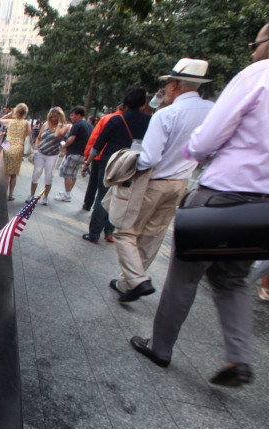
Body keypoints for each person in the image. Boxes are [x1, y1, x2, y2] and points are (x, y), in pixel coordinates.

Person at [130, 22, 269, 387]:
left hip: (222, 191)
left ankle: (160, 346)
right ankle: (238, 358)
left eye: (256, 43)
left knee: (184, 275)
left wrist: (196, 151)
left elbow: (206, 140)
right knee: (234, 280)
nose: (253, 50)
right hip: (261, 205)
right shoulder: (209, 101)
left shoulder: (256, 75)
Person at [110, 58, 214, 302]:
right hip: (181, 182)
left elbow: (149, 158)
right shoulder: (212, 110)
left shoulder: (168, 114)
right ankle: (129, 282)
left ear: (174, 84)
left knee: (125, 231)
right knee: (152, 234)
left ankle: (136, 280)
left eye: (167, 84)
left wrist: (130, 159)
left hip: (153, 181)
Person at [83, 88, 150, 243]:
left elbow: (98, 144)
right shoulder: (149, 120)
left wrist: (87, 162)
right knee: (120, 197)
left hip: (110, 161)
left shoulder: (116, 119)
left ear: (125, 103)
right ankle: (109, 232)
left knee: (102, 195)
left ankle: (94, 234)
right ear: (143, 104)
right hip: (132, 163)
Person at [81, 104, 124, 211]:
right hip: (119, 159)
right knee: (108, 188)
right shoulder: (133, 121)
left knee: (94, 182)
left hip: (99, 156)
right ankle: (104, 213)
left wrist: (87, 156)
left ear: (118, 108)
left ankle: (88, 204)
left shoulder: (107, 118)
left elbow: (94, 138)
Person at [56, 106, 94, 202]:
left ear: (78, 115)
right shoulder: (89, 125)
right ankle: (67, 192)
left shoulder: (77, 125)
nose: (71, 117)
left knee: (68, 174)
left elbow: (71, 139)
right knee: (73, 174)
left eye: (72, 115)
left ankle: (67, 195)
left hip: (74, 152)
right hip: (83, 154)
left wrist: (64, 146)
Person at [30, 107, 65, 204]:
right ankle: (31, 195)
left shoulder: (62, 127)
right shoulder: (45, 124)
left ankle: (45, 197)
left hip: (52, 155)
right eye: (52, 116)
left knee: (49, 176)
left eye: (56, 117)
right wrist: (36, 148)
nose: (54, 119)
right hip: (41, 153)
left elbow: (59, 135)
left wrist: (60, 124)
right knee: (35, 174)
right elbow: (39, 137)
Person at [0, 103, 33, 201]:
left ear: (16, 111)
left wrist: (10, 114)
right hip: (18, 148)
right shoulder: (27, 123)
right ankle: (11, 195)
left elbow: (0, 120)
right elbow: (29, 136)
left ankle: (4, 195)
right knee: (14, 174)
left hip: (8, 146)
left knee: (6, 173)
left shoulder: (10, 121)